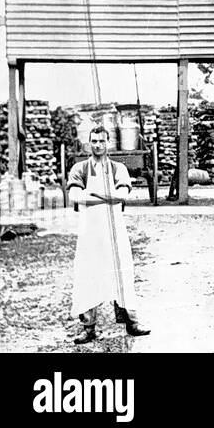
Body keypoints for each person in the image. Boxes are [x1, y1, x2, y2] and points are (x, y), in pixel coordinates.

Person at [67, 127, 150, 344]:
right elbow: (75, 195)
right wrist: (107, 198)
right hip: (89, 231)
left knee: (122, 272)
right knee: (87, 275)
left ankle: (132, 322)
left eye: (101, 141)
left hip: (114, 229)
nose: (97, 145)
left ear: (108, 143)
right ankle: (88, 327)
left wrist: (94, 195)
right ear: (88, 143)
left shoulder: (118, 168)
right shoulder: (80, 168)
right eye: (93, 141)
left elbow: (122, 195)